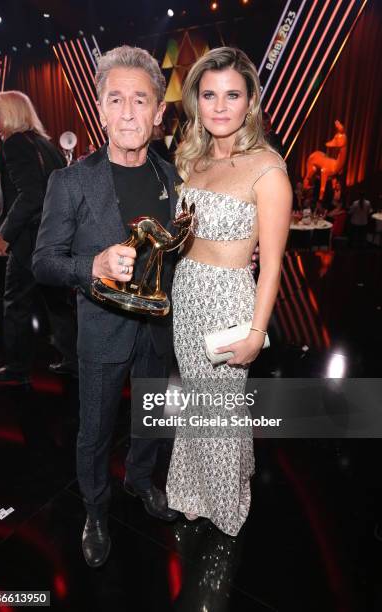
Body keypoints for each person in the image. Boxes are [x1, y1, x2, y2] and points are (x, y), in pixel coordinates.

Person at [33, 46, 180, 568]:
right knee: (94, 428)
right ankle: (96, 509)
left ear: (159, 112)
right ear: (99, 108)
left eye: (140, 100)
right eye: (115, 99)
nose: (127, 112)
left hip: (159, 331)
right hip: (101, 330)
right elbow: (44, 262)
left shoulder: (175, 181)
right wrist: (91, 265)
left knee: (152, 416)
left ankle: (142, 482)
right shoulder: (70, 181)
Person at [166, 47, 292, 536]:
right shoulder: (192, 161)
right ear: (196, 101)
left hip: (228, 301)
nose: (220, 106)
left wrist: (257, 331)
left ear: (250, 102)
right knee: (197, 401)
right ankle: (192, 490)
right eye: (209, 94)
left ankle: (225, 502)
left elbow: (274, 263)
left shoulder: (268, 168)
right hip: (187, 293)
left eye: (232, 94)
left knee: (220, 407)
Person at [0, 91, 77, 384]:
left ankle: (16, 369)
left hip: (27, 242)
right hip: (54, 240)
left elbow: (30, 195)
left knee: (16, 305)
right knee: (58, 304)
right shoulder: (45, 144)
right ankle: (74, 360)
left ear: (10, 113)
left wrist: (3, 234)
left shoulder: (15, 144)